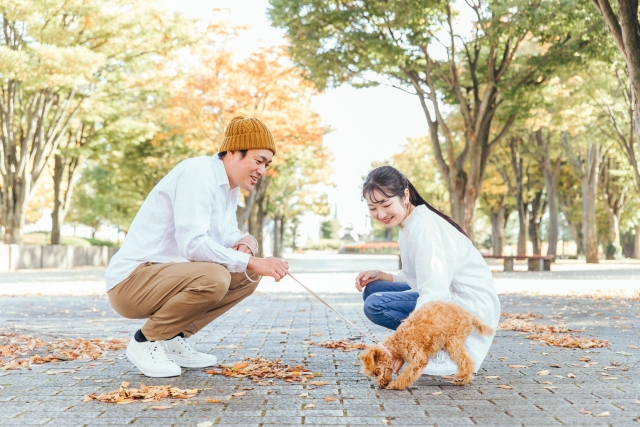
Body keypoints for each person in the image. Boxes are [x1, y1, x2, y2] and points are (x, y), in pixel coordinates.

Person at [105, 116, 289, 377]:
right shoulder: (197, 173)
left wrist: (248, 244)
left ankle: (171, 338)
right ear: (233, 151)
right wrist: (251, 260)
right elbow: (193, 244)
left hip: (167, 276)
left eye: (267, 164)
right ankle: (145, 342)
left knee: (247, 276)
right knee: (216, 276)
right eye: (258, 161)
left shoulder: (229, 189)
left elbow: (226, 242)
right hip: (131, 281)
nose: (262, 170)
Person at [355, 166, 500, 376]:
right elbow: (419, 275)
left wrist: (402, 344)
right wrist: (380, 275)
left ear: (405, 195)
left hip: (466, 306)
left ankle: (437, 348)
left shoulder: (423, 226)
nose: (381, 214)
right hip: (447, 297)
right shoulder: (409, 222)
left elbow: (435, 292)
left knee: (375, 305)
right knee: (373, 289)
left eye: (386, 204)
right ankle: (425, 342)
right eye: (373, 208)